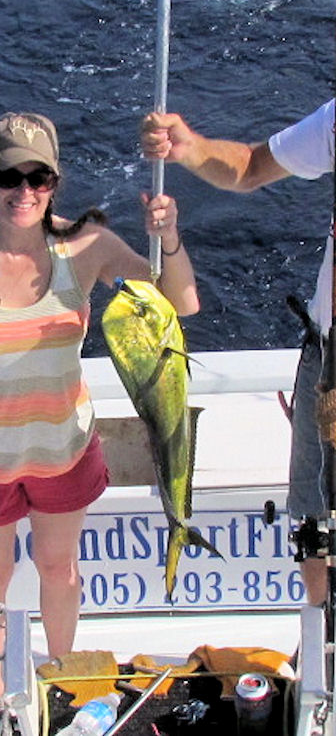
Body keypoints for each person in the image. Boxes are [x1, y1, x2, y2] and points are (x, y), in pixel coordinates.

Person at [0, 111, 199, 736]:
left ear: (55, 182)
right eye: (9, 175)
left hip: (64, 449)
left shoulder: (86, 247)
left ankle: (60, 675)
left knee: (59, 569)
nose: (23, 191)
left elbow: (182, 302)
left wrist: (168, 239)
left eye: (39, 177)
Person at [141, 98, 335, 610]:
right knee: (315, 524)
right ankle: (323, 642)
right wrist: (190, 148)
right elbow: (249, 167)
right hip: (328, 360)